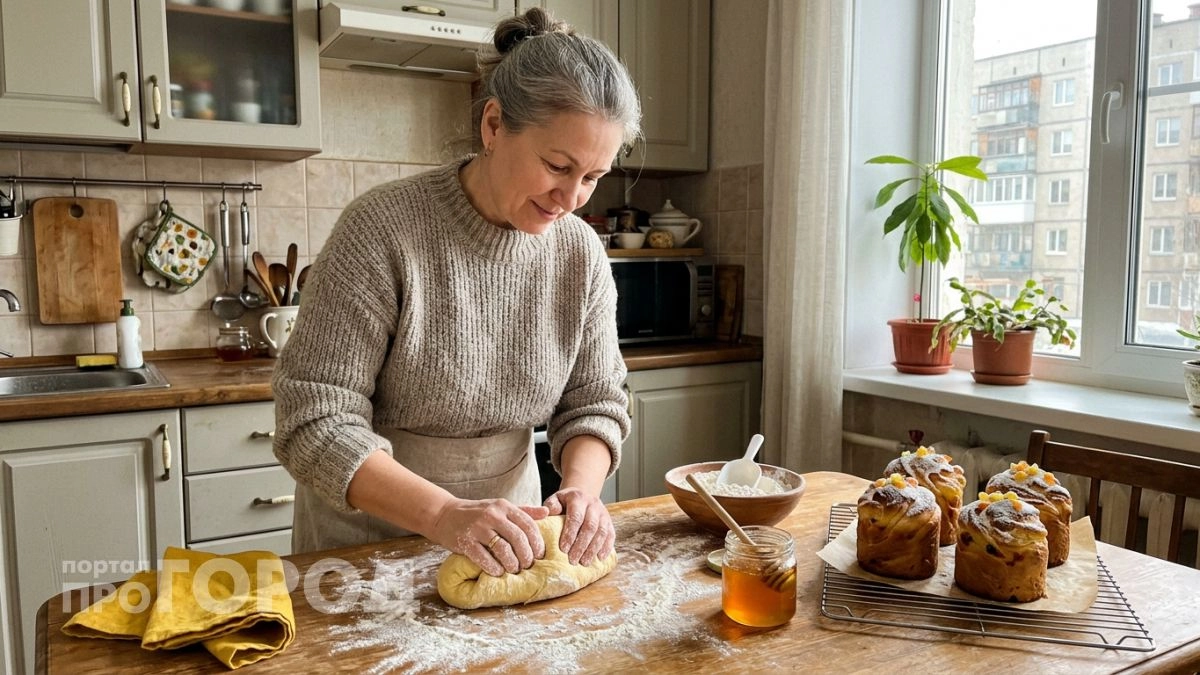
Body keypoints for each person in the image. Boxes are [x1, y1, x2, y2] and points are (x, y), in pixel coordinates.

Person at [271, 7, 641, 579]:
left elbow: (595, 402)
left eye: (592, 177)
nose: (571, 199)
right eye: (557, 166)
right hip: (365, 544)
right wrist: (444, 514)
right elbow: (314, 419)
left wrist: (582, 493)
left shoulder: (580, 254)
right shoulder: (381, 230)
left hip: (513, 544)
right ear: (493, 126)